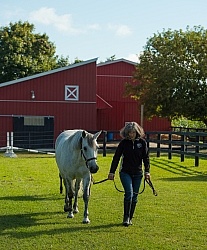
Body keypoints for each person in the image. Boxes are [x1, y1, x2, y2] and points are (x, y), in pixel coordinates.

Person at [108, 122, 150, 227]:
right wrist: (112, 172)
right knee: (129, 194)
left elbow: (146, 158)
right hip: (125, 172)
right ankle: (126, 217)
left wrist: (147, 172)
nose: (131, 134)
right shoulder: (123, 143)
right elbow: (116, 157)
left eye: (133, 132)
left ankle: (130, 217)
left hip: (138, 174)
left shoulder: (142, 143)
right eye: (129, 132)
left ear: (137, 132)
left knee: (135, 197)